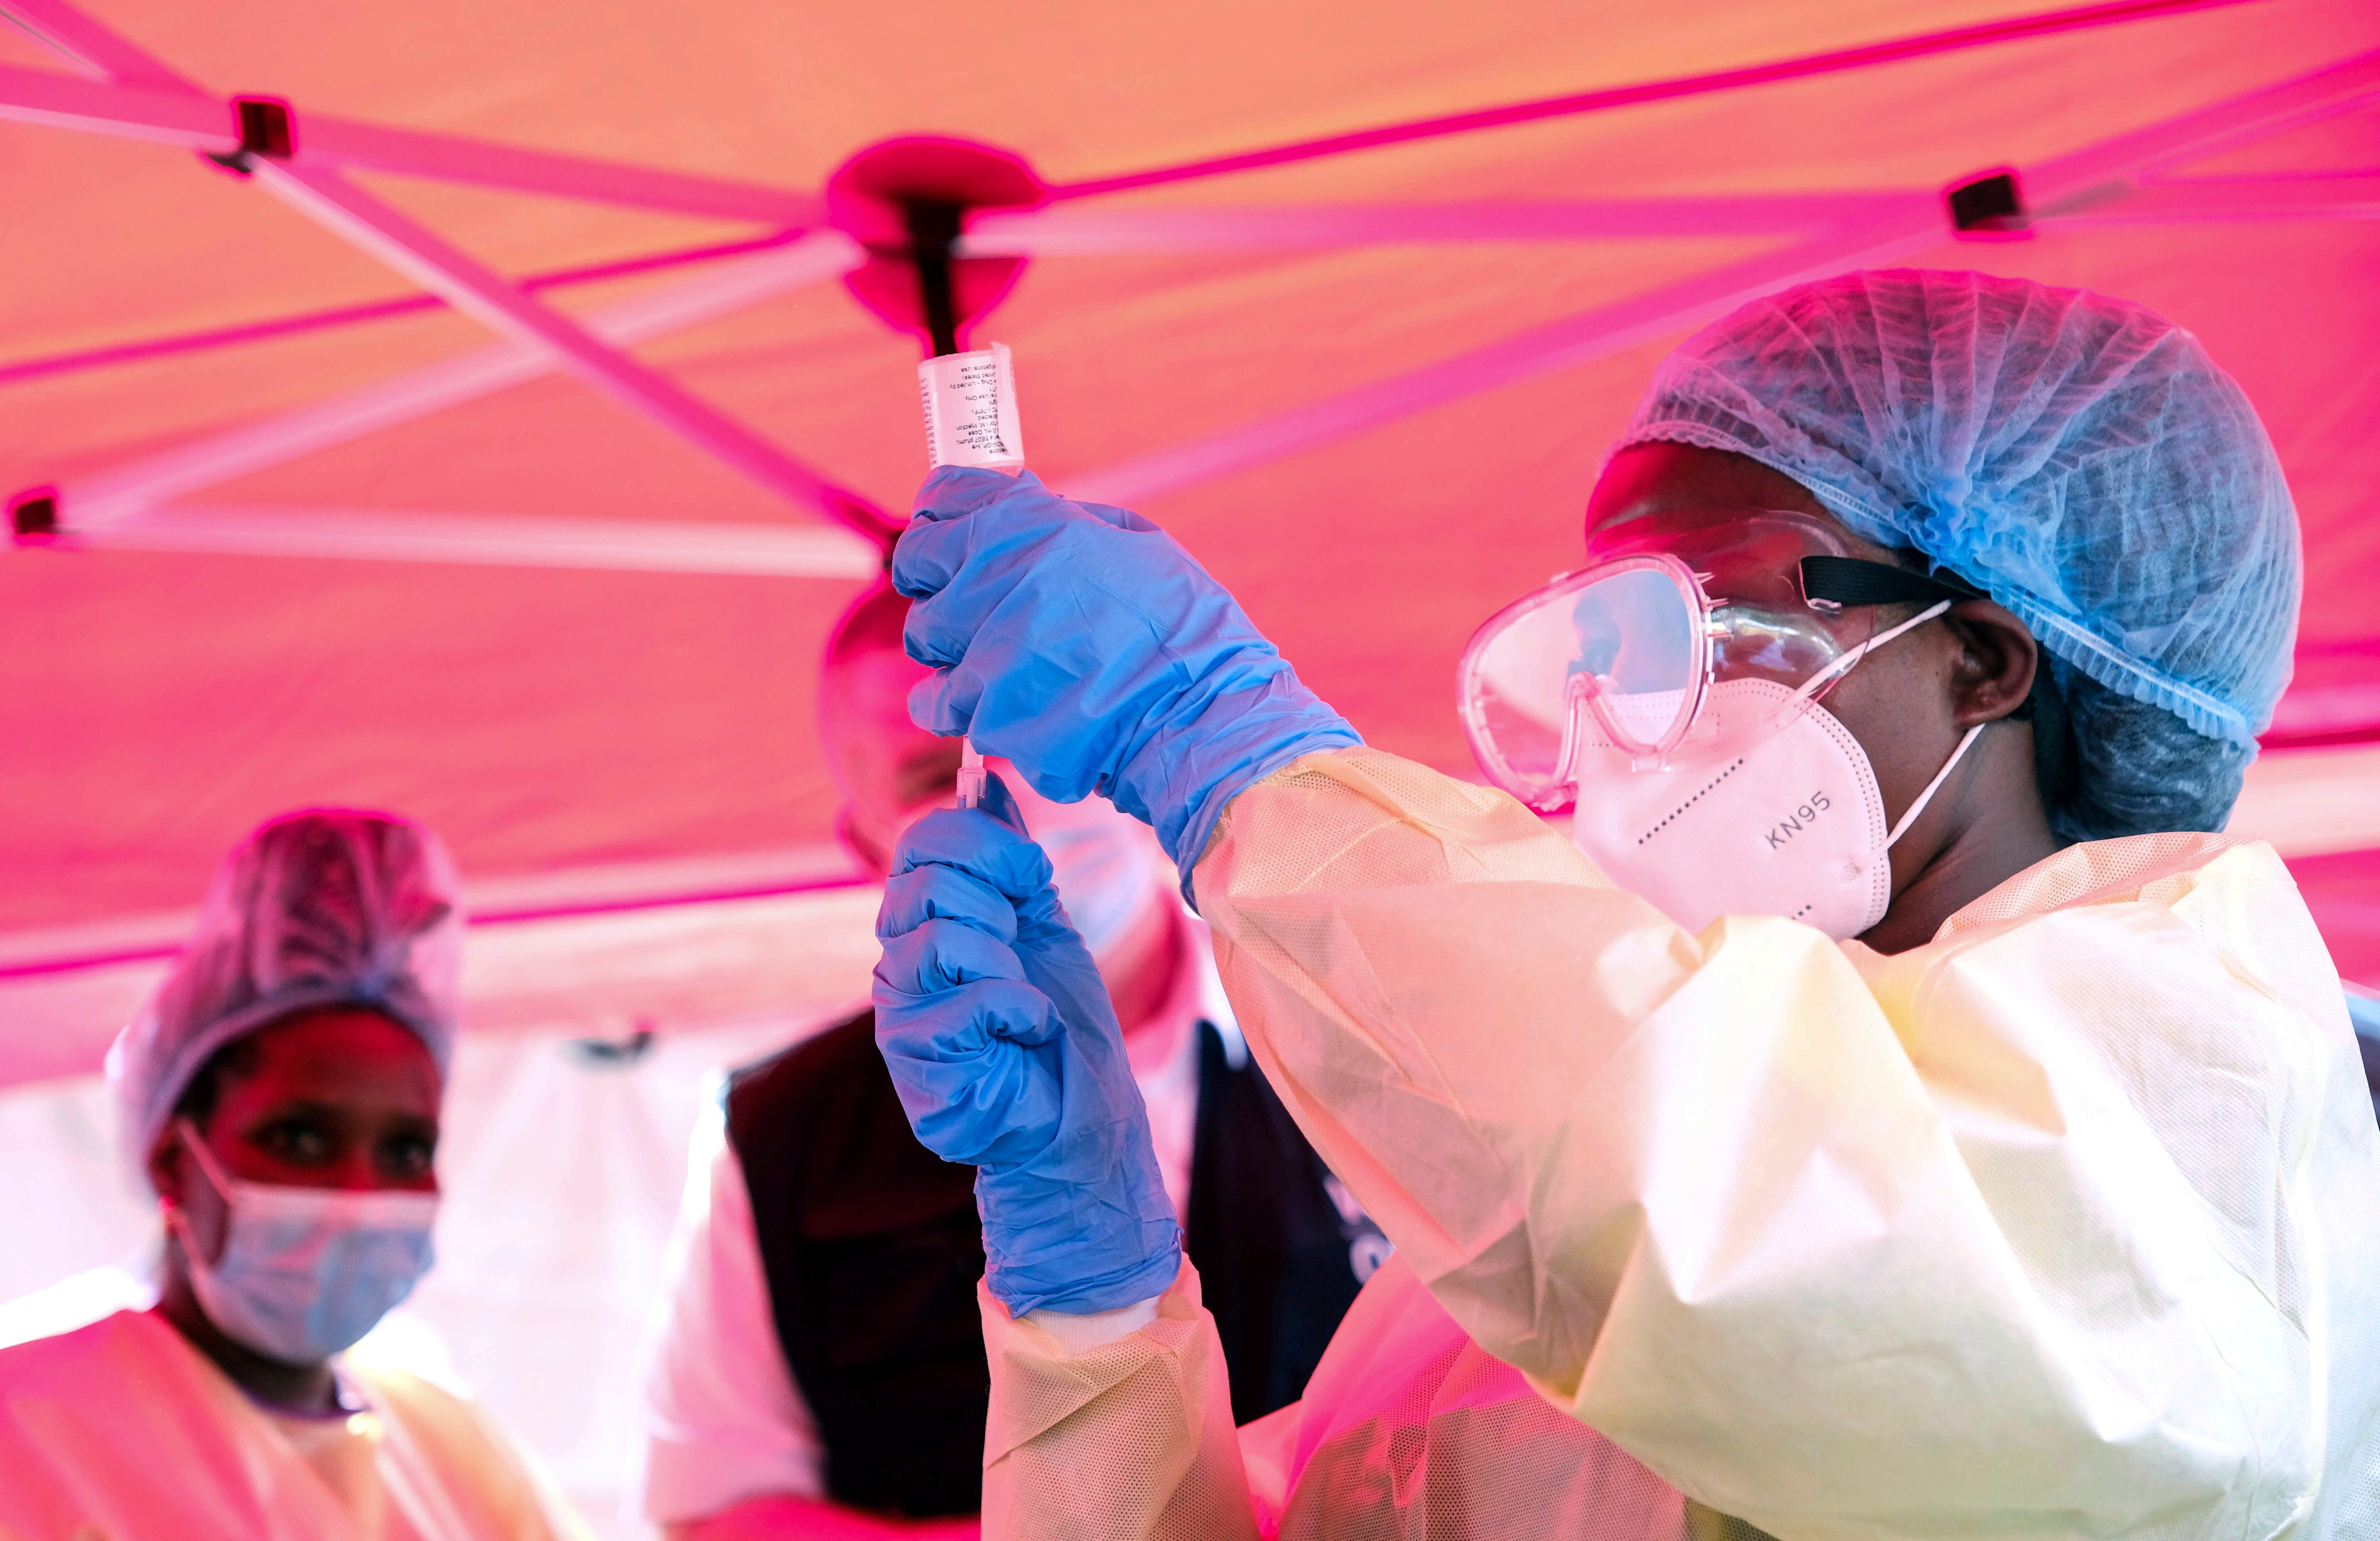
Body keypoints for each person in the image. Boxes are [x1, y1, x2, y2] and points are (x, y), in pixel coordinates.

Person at [870, 271, 2380, 1538]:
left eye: (1696, 616)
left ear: (1982, 656)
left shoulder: (2192, 1055)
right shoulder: (1514, 1260)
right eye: (1598, 644)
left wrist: (1231, 756)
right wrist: (1097, 1307)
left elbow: (1783, 1265)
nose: (1623, 717)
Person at [633, 579, 1384, 1539]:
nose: (1014, 791)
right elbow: (717, 1507)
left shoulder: (1357, 1010)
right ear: (867, 843)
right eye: (932, 775)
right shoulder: (783, 1137)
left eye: (1044, 737)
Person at [0, 809, 587, 1541]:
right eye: (302, 1139)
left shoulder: (450, 1452)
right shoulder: (29, 1434)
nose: (359, 1195)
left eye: (405, 1151)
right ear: (174, 1159)